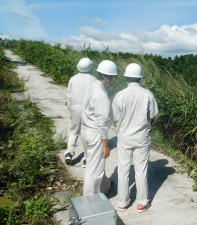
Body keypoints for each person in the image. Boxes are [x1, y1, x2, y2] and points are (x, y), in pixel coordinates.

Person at [112, 63, 159, 213]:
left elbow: (114, 116)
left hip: (125, 136)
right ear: (140, 78)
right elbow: (153, 114)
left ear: (126, 77)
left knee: (123, 169)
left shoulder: (120, 94)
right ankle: (142, 203)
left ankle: (122, 203)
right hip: (142, 137)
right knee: (141, 170)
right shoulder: (147, 94)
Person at [81, 59, 117, 196]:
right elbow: (102, 123)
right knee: (94, 170)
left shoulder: (90, 86)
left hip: (85, 130)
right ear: (108, 77)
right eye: (113, 77)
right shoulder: (101, 95)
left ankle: (105, 186)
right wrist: (105, 145)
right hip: (95, 133)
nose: (113, 80)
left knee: (94, 164)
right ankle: (89, 201)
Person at [64, 58, 97, 167]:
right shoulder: (93, 79)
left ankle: (69, 152)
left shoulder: (73, 79)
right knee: (86, 133)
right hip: (88, 110)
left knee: (74, 131)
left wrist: (70, 111)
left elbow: (69, 96)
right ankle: (86, 159)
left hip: (75, 109)